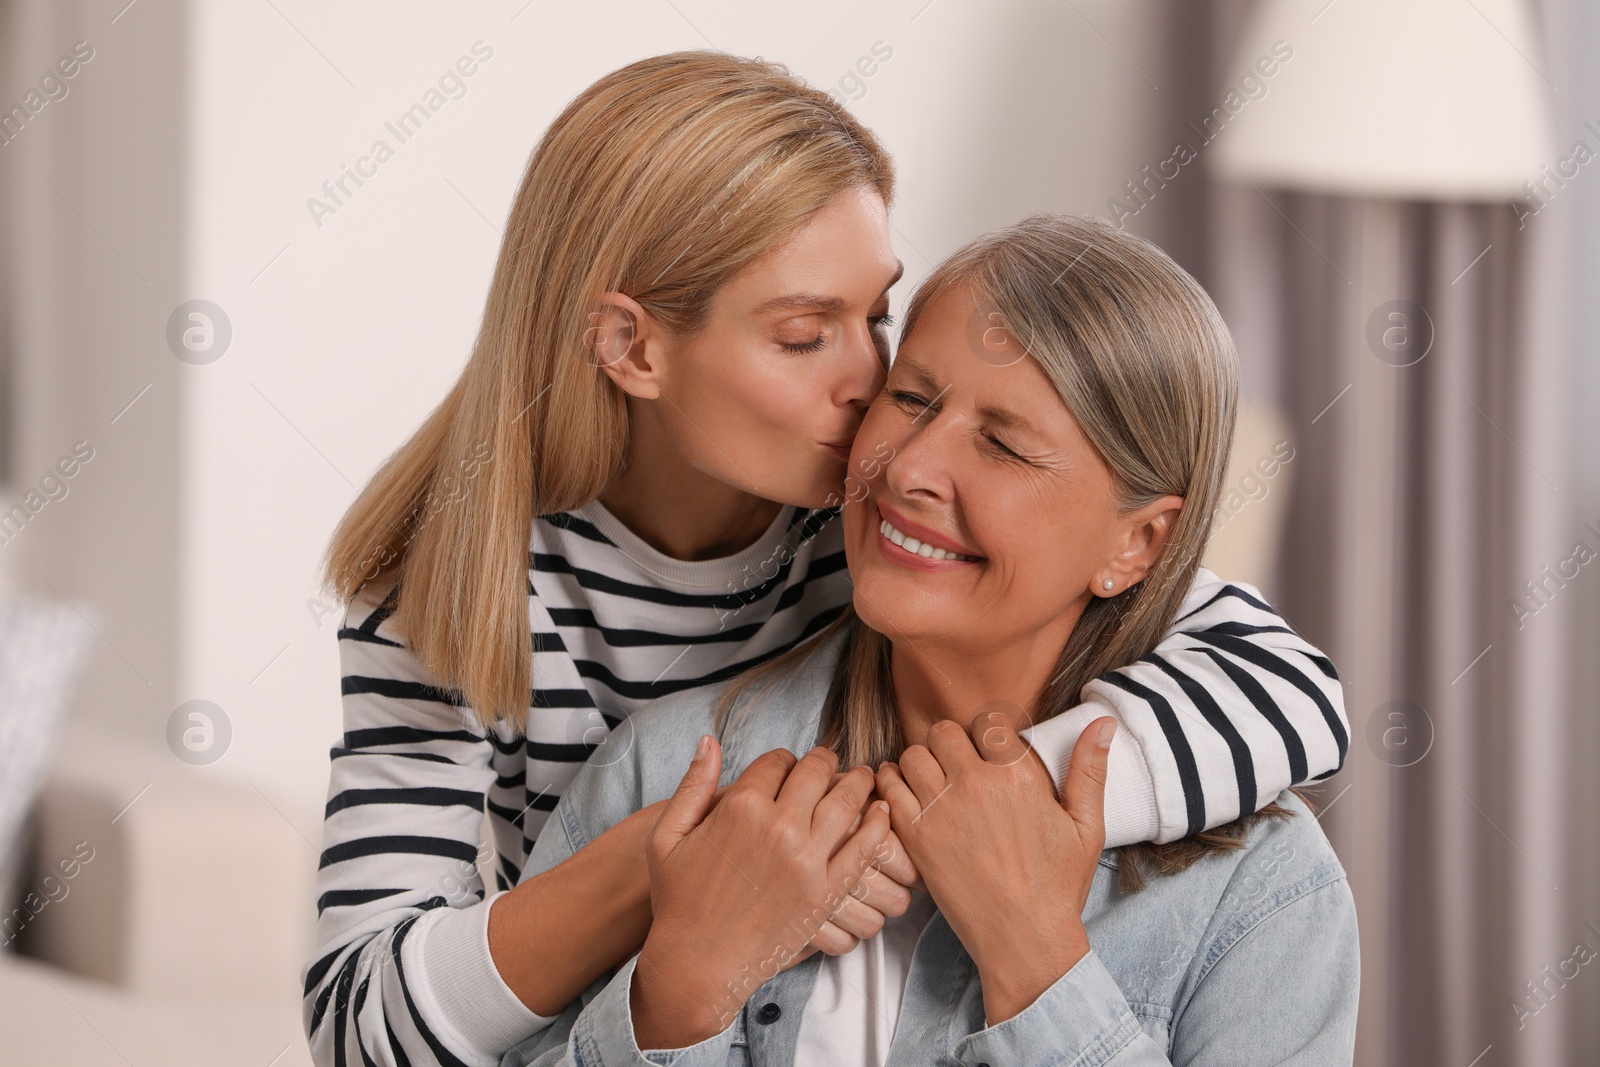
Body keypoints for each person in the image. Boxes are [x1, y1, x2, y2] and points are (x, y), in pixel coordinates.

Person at [305, 52, 1350, 1067]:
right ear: (632, 347)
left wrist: (995, 814)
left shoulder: (869, 522)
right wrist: (683, 879)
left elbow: (1290, 687)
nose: (872, 395)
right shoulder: (458, 595)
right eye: (806, 333)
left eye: (879, 315)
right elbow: (360, 1022)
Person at [501, 215, 1359, 1067]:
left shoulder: (1264, 889)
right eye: (909, 398)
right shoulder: (665, 773)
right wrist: (684, 987)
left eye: (1003, 445)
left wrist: (1035, 959)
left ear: (1137, 544)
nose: (907, 468)